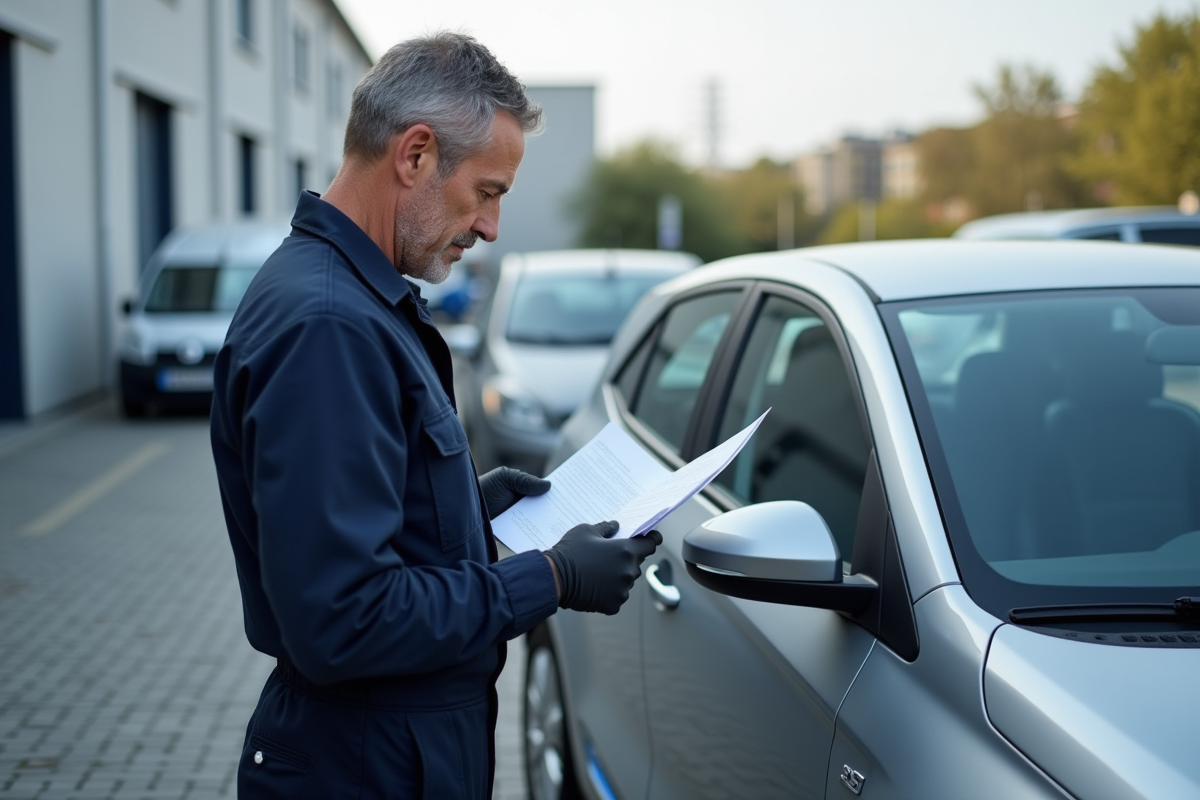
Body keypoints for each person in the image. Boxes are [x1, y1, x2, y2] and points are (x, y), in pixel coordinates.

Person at [209, 32, 661, 800]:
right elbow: (343, 619)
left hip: (386, 750)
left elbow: (363, 523)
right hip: (363, 762)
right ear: (415, 156)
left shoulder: (356, 299)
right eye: (487, 192)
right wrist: (548, 578)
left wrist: (465, 507)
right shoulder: (329, 326)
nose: (490, 229)